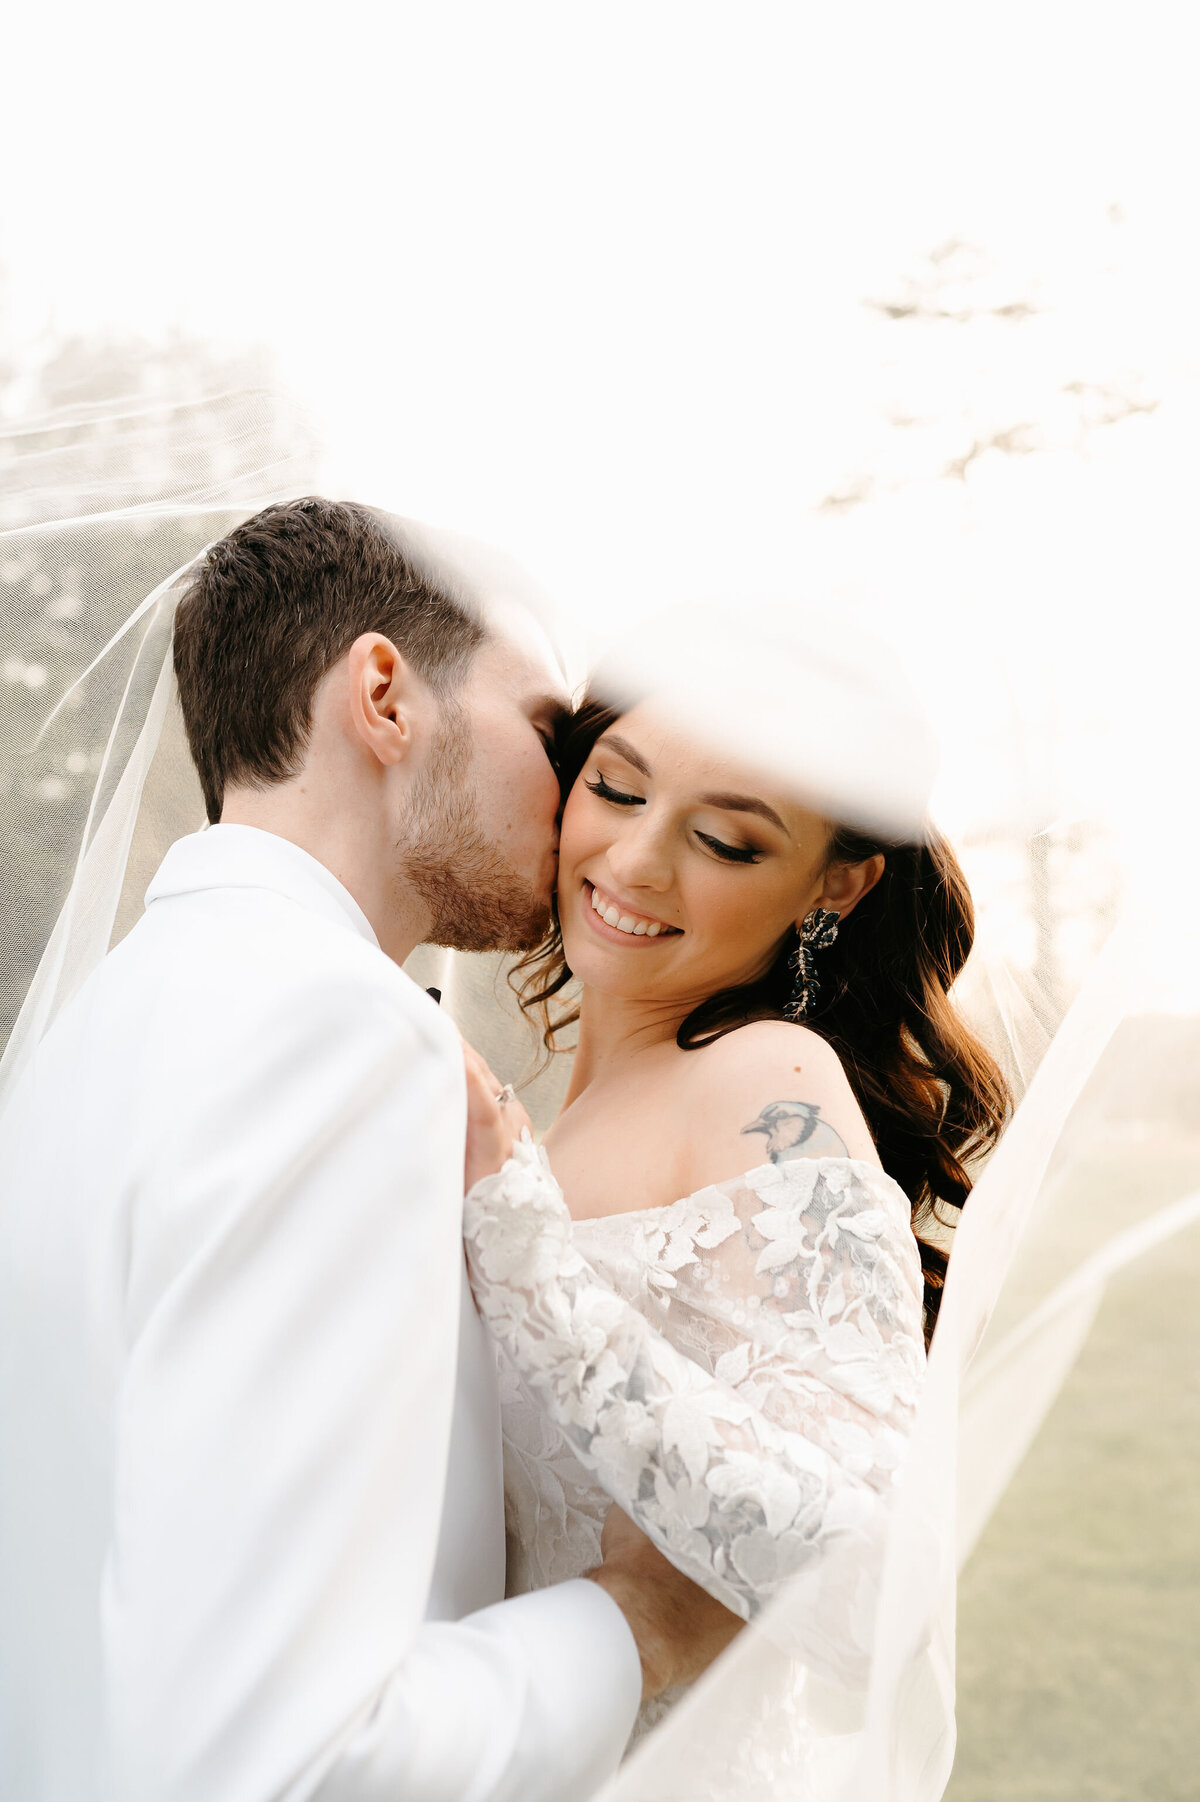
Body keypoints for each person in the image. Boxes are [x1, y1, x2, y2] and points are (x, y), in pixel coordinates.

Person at [0, 499, 739, 1802]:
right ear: (386, 696)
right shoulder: (340, 1036)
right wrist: (643, 1618)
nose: (577, 793)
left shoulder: (96, 1032)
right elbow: (281, 1757)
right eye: (549, 729)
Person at [458, 691, 1011, 1737]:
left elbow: (876, 1585)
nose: (634, 861)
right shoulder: (549, 1123)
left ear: (837, 884)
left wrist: (528, 1266)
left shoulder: (767, 1082)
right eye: (615, 787)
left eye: (723, 838)